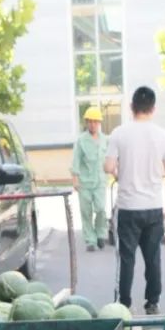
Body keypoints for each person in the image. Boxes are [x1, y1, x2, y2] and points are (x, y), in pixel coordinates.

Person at [104, 86, 165, 314]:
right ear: (153, 108)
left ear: (131, 107)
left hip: (128, 207)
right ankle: (152, 302)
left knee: (126, 258)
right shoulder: (162, 135)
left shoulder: (119, 133)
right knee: (153, 257)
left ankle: (124, 303)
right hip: (153, 206)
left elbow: (108, 166)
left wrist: (119, 173)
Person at [71, 105, 109, 252]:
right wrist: (75, 179)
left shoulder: (105, 139)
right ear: (86, 123)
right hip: (85, 183)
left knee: (100, 209)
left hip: (100, 181)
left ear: (99, 123)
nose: (93, 124)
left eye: (95, 121)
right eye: (90, 121)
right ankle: (90, 240)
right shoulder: (81, 141)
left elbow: (111, 158)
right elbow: (76, 160)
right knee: (86, 211)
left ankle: (100, 234)